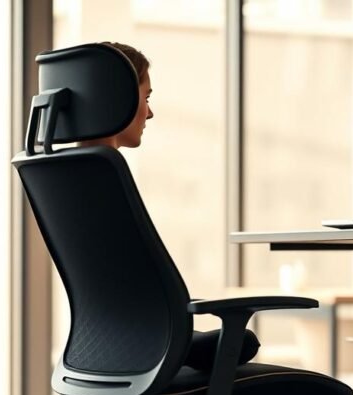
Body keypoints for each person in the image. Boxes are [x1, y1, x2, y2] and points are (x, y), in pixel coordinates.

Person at [87, 41, 258, 370]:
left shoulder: (61, 173)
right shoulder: (108, 173)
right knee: (243, 341)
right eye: (146, 97)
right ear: (119, 97)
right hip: (150, 350)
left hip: (100, 349)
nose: (149, 112)